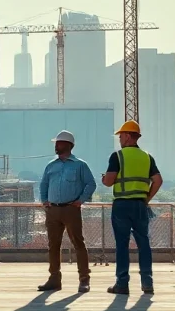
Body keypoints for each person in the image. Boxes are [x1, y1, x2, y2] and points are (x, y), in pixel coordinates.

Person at [101, 120, 162, 295]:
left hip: (122, 205)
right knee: (143, 243)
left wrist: (104, 178)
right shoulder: (147, 157)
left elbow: (109, 181)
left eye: (121, 135)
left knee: (122, 244)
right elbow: (158, 181)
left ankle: (122, 284)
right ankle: (147, 283)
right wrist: (146, 199)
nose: (120, 139)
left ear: (128, 136)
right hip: (140, 205)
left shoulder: (117, 156)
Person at [38, 130, 96, 293]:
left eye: (59, 143)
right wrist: (44, 201)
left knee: (78, 243)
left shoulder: (80, 165)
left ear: (68, 145)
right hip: (53, 210)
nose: (56, 146)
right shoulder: (51, 166)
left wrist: (80, 200)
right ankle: (54, 279)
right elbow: (44, 185)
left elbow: (91, 184)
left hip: (71, 209)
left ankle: (84, 279)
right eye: (56, 143)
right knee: (53, 245)